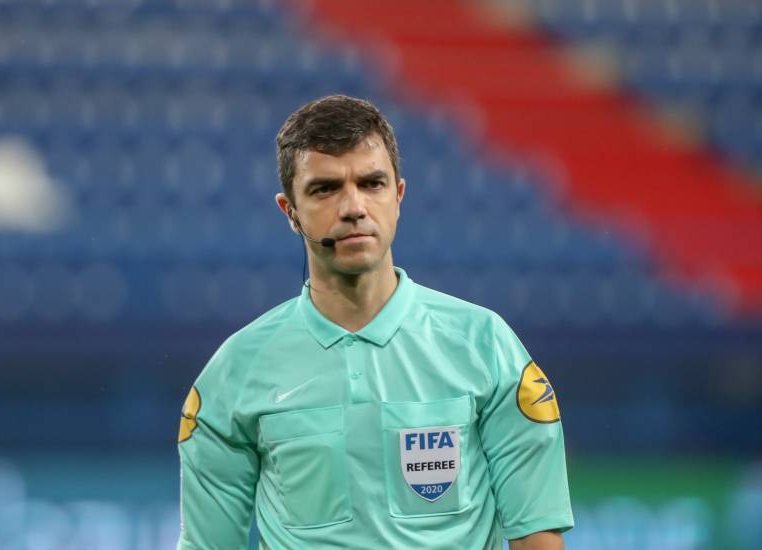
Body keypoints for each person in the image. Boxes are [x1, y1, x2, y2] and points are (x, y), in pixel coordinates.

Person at [177, 95, 574, 549]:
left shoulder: (485, 346)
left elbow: (536, 536)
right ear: (289, 211)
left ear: (398, 195)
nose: (353, 207)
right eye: (325, 189)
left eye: (371, 183)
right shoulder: (236, 371)